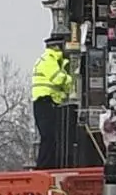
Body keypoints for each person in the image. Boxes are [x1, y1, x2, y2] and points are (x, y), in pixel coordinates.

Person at [30, 40, 88, 169]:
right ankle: (44, 166)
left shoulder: (53, 60)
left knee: (51, 137)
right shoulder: (48, 60)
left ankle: (47, 165)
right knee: (49, 136)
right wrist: (70, 79)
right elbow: (58, 79)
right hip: (45, 101)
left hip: (49, 102)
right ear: (57, 47)